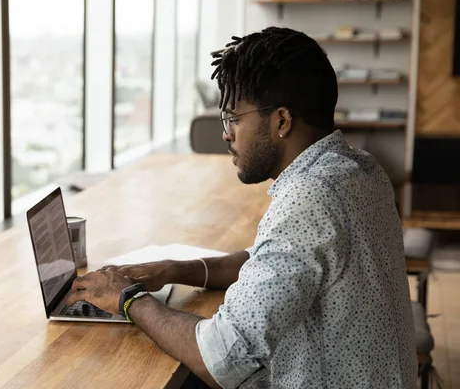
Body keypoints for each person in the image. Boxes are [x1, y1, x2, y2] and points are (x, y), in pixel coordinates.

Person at [66, 27, 417, 388]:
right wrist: (173, 269)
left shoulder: (309, 198)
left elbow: (222, 358)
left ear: (281, 121)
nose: (226, 133)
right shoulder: (359, 168)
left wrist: (128, 300)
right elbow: (268, 259)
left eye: (233, 118)